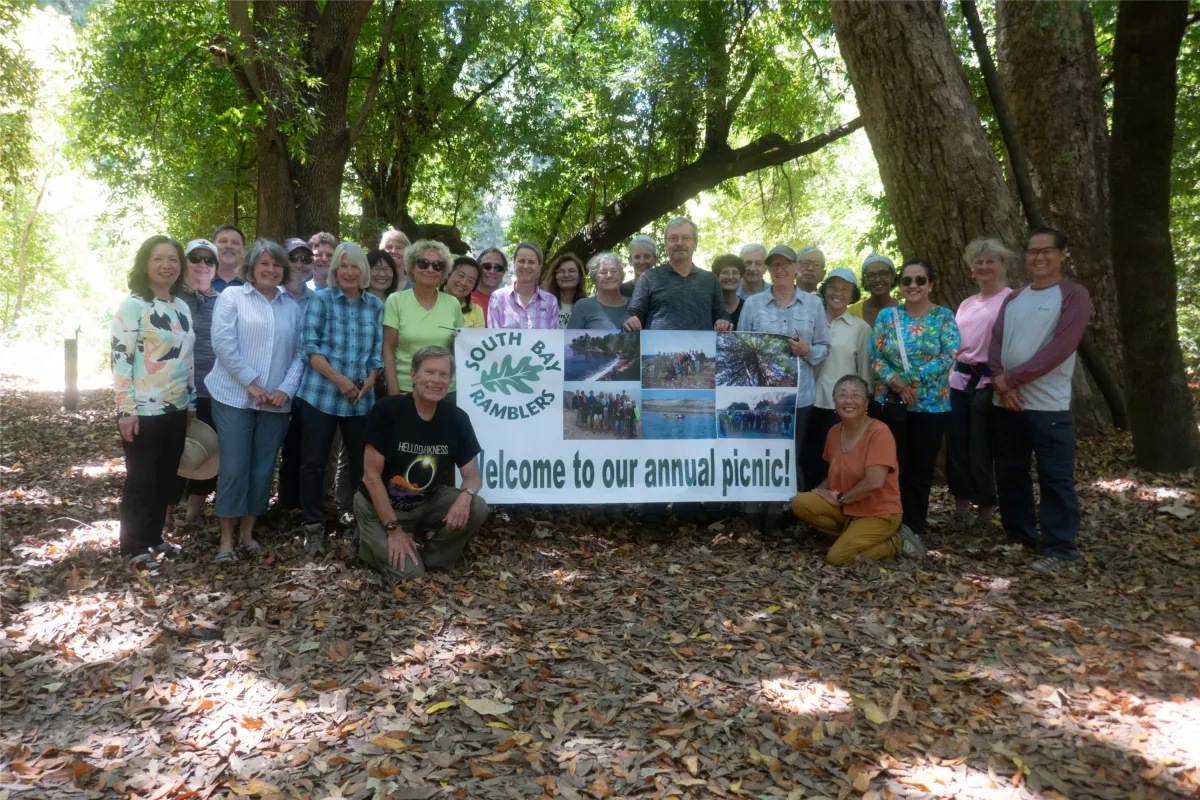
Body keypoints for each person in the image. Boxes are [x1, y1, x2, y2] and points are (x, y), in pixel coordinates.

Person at [988, 228, 1091, 573]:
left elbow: (1060, 349)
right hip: (1007, 404)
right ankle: (1020, 536)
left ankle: (1060, 548)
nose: (1039, 257)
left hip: (1047, 406)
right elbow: (996, 343)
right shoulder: (1014, 297)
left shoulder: (1073, 295)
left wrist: (1011, 380)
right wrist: (1002, 385)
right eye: (1033, 252)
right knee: (1011, 471)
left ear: (1063, 253)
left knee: (1055, 476)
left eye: (1047, 251)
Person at [206, 239, 305, 560]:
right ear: (251, 267)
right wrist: (250, 383)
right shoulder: (232, 297)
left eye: (277, 265)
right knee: (235, 467)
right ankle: (226, 539)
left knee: (263, 470)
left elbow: (301, 354)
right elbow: (223, 343)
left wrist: (285, 390)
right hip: (234, 395)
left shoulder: (292, 306)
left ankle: (248, 533)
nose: (271, 270)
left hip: (276, 403)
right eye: (264, 263)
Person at [355, 346, 489, 582]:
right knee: (411, 576)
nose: (436, 380)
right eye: (429, 372)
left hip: (426, 501)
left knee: (477, 507)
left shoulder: (456, 419)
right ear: (413, 375)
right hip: (380, 507)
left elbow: (472, 477)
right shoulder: (387, 411)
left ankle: (433, 557)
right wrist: (394, 530)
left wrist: (465, 497)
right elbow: (371, 477)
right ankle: (367, 540)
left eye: (443, 374)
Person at [111, 236, 195, 567]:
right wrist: (125, 409)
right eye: (159, 259)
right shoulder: (133, 306)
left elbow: (187, 360)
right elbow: (120, 360)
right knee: (141, 480)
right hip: (144, 410)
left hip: (176, 408)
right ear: (145, 264)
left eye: (173, 260)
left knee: (166, 479)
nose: (167, 265)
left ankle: (155, 540)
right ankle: (132, 546)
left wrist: (191, 404)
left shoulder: (181, 307)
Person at [295, 242, 384, 554]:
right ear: (334, 270)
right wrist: (339, 379)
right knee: (314, 463)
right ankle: (313, 527)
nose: (349, 272)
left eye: (355, 266)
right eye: (343, 266)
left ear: (363, 272)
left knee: (363, 465)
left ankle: (361, 525)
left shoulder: (374, 305)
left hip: (360, 398)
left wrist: (372, 378)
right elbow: (309, 346)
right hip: (320, 394)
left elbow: (376, 351)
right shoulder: (321, 301)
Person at [869, 258, 960, 545]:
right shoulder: (887, 316)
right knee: (893, 466)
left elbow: (949, 355)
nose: (913, 286)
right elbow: (876, 356)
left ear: (930, 284)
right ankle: (890, 523)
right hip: (892, 403)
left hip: (931, 407)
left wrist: (909, 379)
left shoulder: (943, 317)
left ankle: (914, 529)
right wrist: (895, 380)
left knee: (920, 470)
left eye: (920, 280)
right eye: (907, 280)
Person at [790, 375, 925, 564]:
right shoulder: (834, 432)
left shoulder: (879, 432)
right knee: (800, 502)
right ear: (834, 401)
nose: (848, 401)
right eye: (842, 395)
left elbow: (874, 482)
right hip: (847, 507)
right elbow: (834, 472)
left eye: (855, 396)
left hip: (878, 513)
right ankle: (851, 534)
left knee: (837, 558)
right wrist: (819, 492)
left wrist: (840, 499)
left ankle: (897, 542)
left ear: (866, 401)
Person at [738, 244, 831, 484]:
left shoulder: (814, 304)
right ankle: (756, 505)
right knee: (759, 452)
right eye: (775, 265)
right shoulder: (752, 304)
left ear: (796, 268)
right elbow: (740, 347)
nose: (780, 269)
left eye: (785, 264)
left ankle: (785, 509)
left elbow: (824, 347)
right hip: (761, 395)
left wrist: (806, 350)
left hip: (800, 397)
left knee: (792, 453)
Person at [948, 238, 1014, 539]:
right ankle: (961, 504)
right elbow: (957, 346)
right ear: (971, 268)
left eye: (990, 261)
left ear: (1001, 264)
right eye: (979, 262)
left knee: (980, 447)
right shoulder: (966, 304)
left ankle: (986, 507)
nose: (984, 267)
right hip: (958, 381)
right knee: (957, 446)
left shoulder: (1011, 299)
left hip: (989, 382)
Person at [805, 267, 873, 490]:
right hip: (807, 400)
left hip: (842, 406)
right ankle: (805, 504)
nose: (838, 292)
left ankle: (832, 505)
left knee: (835, 459)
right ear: (824, 290)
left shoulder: (860, 328)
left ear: (853, 295)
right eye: (833, 287)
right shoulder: (808, 321)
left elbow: (864, 371)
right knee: (808, 455)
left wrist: (862, 407)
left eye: (845, 289)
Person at [171, 239, 221, 528]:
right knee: (174, 452)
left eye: (209, 260)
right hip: (176, 391)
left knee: (209, 452)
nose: (203, 264)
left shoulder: (224, 301)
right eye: (196, 258)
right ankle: (164, 514)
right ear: (185, 262)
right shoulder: (171, 299)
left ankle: (192, 516)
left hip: (215, 391)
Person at [383, 239, 463, 396]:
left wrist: (458, 340)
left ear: (443, 273)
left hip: (443, 390)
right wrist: (394, 392)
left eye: (438, 265)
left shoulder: (453, 303)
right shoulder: (396, 300)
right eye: (423, 263)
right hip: (406, 389)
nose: (430, 269)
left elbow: (459, 350)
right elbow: (388, 349)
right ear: (412, 267)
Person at [624, 218, 733, 332]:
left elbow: (722, 315)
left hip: (700, 349)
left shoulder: (710, 279)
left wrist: (724, 321)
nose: (679, 243)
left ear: (695, 244)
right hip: (658, 348)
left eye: (686, 238)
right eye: (673, 238)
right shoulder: (648, 278)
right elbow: (632, 313)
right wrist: (631, 320)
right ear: (666, 245)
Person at [276, 237, 318, 512]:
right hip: (271, 384)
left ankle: (291, 504)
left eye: (306, 259)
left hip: (305, 387)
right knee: (269, 447)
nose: (300, 264)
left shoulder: (317, 300)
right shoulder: (271, 295)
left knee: (298, 448)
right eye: (294, 258)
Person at [489, 241, 558, 329]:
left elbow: (552, 340)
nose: (525, 266)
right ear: (514, 263)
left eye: (531, 262)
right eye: (521, 261)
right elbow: (493, 339)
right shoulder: (498, 297)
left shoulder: (551, 301)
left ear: (539, 266)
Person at [568, 251, 629, 329]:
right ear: (594, 279)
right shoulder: (582, 306)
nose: (609, 276)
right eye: (603, 272)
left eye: (614, 271)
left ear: (621, 276)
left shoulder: (635, 306)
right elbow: (570, 340)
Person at [849, 253, 899, 327]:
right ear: (865, 281)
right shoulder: (852, 312)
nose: (877, 279)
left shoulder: (905, 310)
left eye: (883, 273)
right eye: (871, 275)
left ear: (892, 277)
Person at [542, 252, 587, 328]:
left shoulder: (588, 307)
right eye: (561, 271)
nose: (566, 275)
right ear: (554, 276)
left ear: (580, 276)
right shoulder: (543, 304)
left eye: (572, 271)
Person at [443, 255, 486, 328]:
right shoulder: (428, 299)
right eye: (461, 276)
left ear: (474, 287)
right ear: (448, 274)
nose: (463, 282)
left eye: (470, 281)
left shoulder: (476, 311)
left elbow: (477, 338)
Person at [471, 247, 508, 324]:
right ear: (478, 268)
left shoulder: (510, 302)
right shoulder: (463, 298)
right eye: (487, 266)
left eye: (498, 268)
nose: (492, 271)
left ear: (503, 272)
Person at [712, 254, 746, 328]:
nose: (730, 277)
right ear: (716, 277)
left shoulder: (747, 307)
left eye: (735, 272)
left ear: (741, 277)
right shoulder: (709, 307)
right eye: (725, 272)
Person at [211, 224, 245, 292]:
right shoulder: (199, 279)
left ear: (243, 251)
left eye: (235, 243)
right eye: (223, 241)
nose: (229, 246)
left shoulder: (253, 284)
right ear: (212, 247)